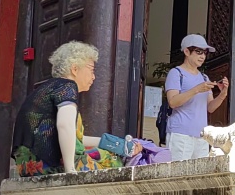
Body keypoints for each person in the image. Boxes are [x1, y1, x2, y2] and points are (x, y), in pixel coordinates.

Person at [11, 41, 139, 176]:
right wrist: (70, 171)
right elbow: (64, 125)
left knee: (106, 152)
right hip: (49, 165)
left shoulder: (45, 89)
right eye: (91, 70)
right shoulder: (67, 86)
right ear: (75, 69)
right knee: (113, 160)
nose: (94, 77)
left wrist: (116, 144)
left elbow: (74, 138)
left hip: (28, 166)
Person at [165, 33, 229, 160]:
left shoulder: (204, 77)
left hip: (201, 136)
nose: (203, 56)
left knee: (199, 172)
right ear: (187, 52)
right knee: (179, 171)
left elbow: (210, 107)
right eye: (199, 51)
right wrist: (196, 89)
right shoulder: (176, 73)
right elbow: (172, 102)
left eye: (205, 52)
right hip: (180, 134)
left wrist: (222, 94)